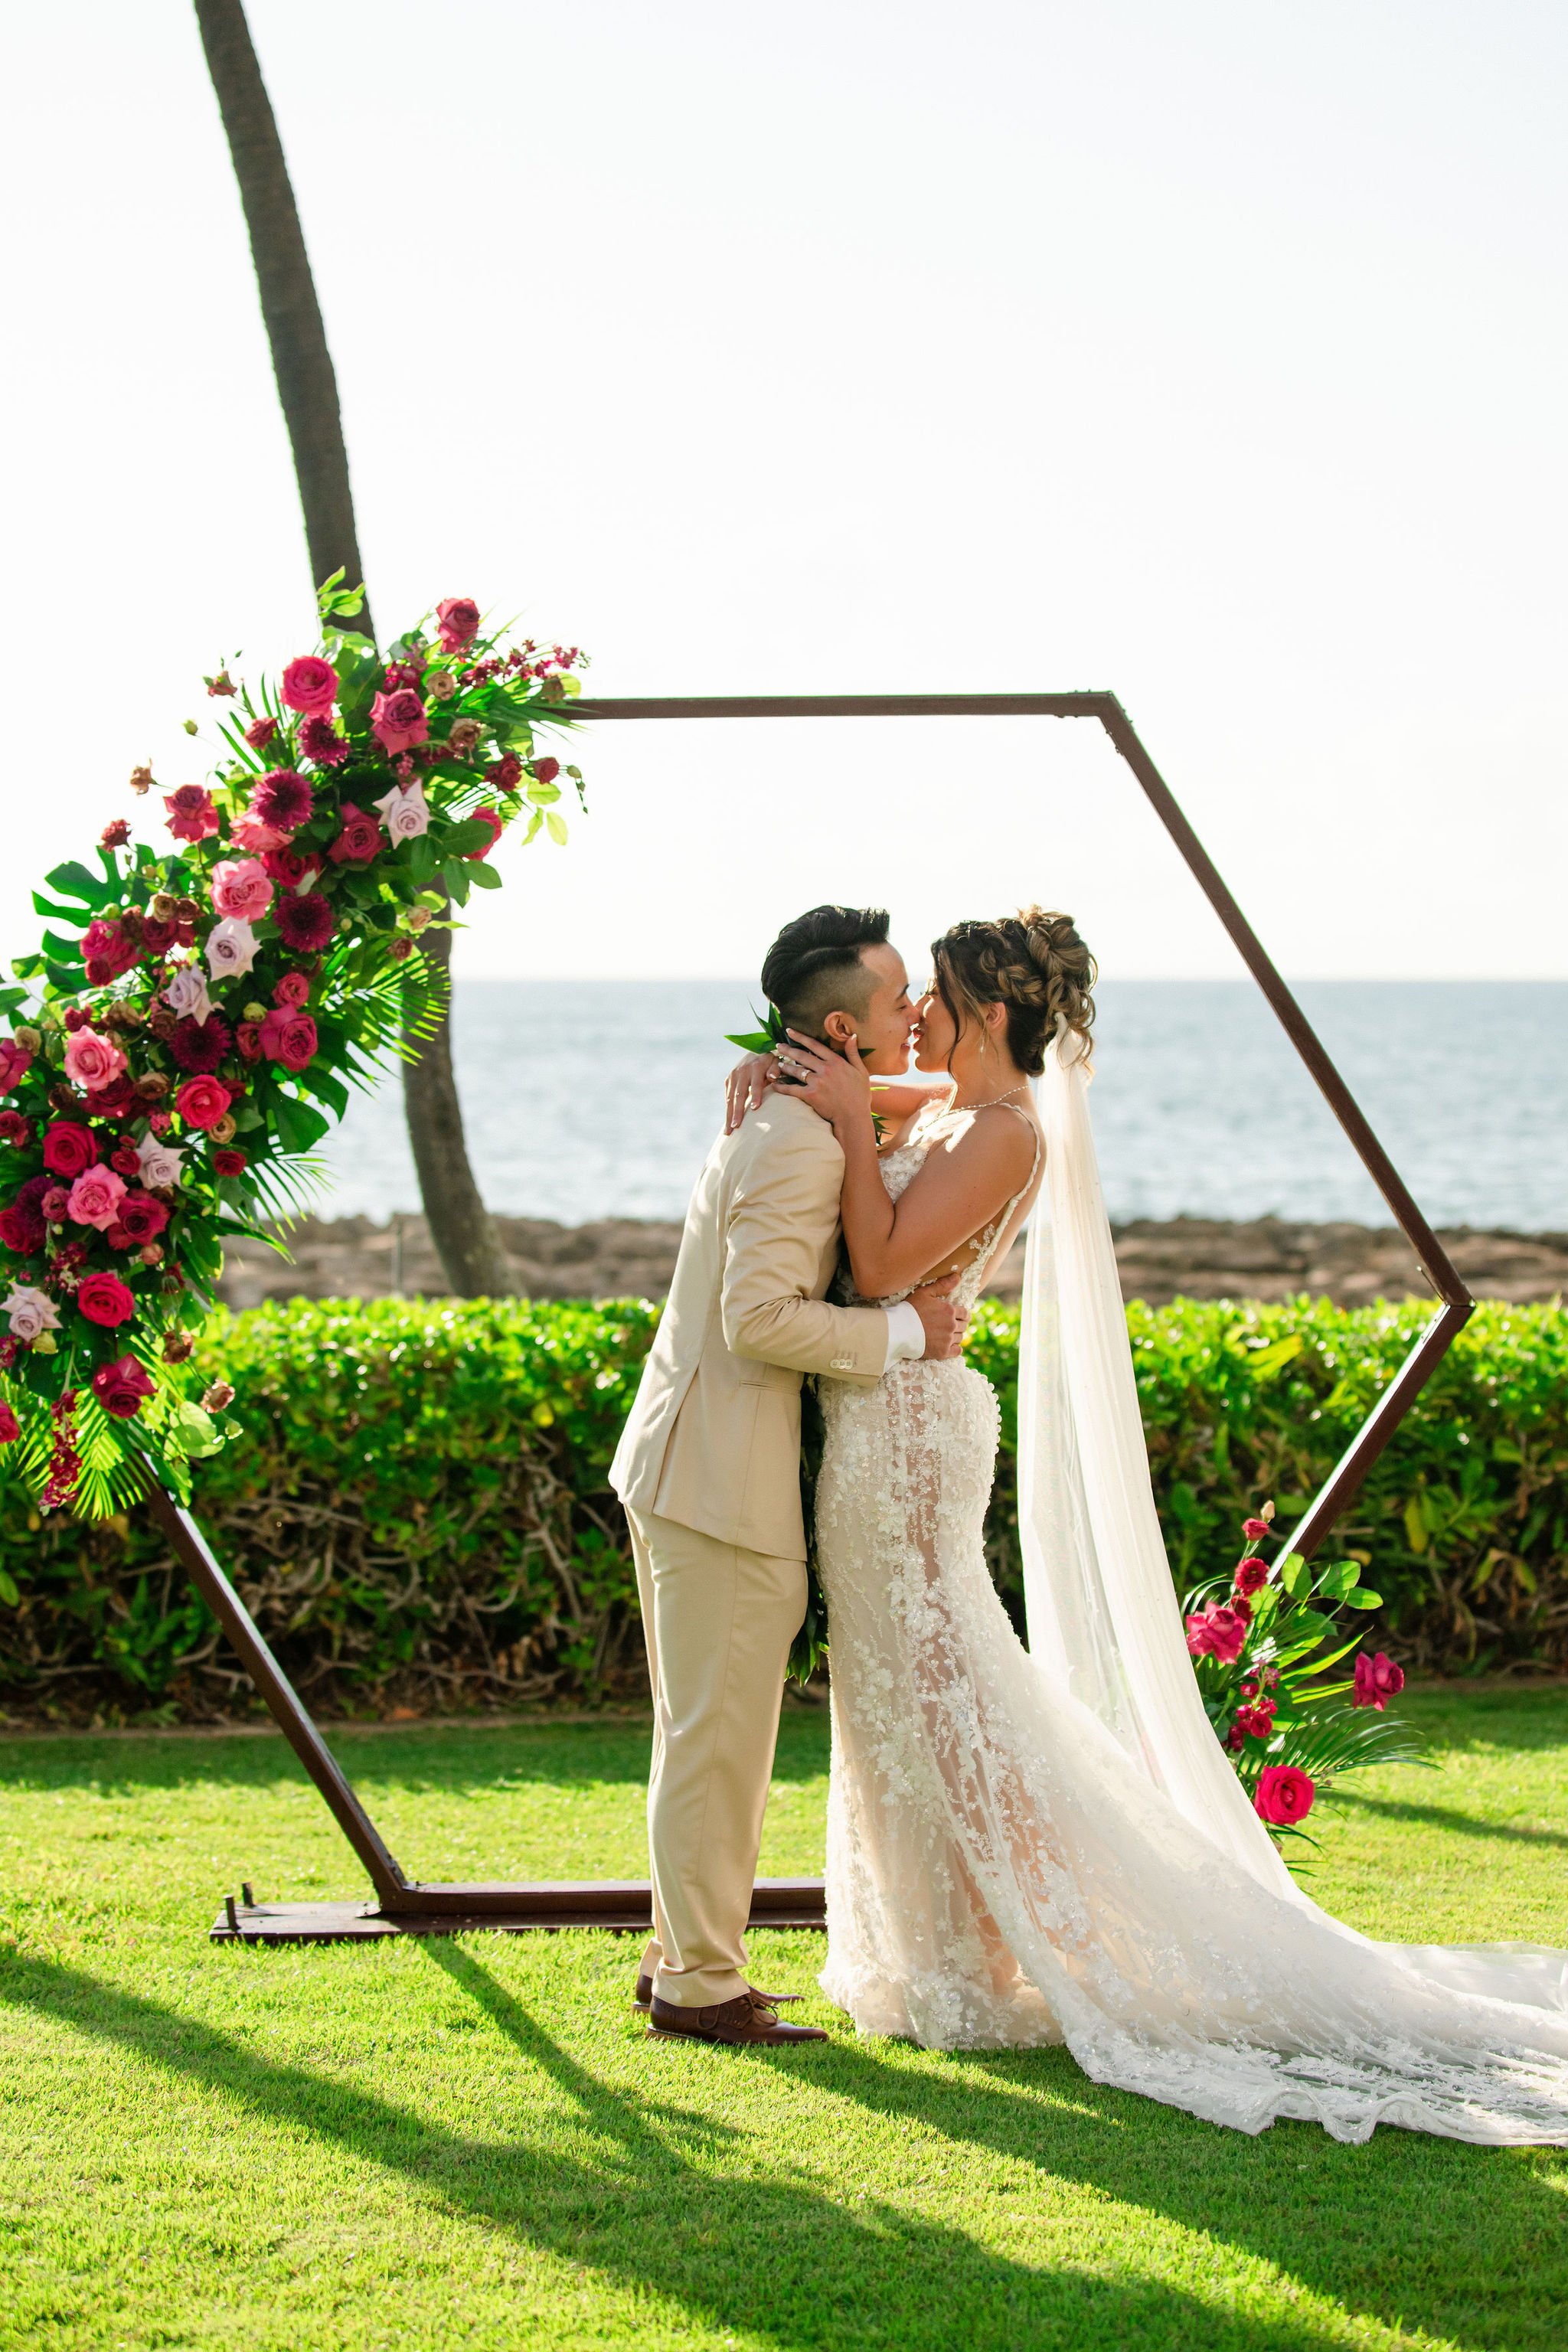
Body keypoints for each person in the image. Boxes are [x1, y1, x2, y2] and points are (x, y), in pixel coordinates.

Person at [750, 904, 1568, 2142]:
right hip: (882, 1424)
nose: (914, 1009)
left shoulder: (1008, 1132)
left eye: (942, 995)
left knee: (953, 1682)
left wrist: (858, 1134)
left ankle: (1029, 1944)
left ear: (998, 1015)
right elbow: (871, 1098)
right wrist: (791, 1078)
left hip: (912, 1438)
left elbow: (874, 1267)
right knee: (899, 1691)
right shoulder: (956, 1105)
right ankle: (942, 1954)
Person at [609, 905, 970, 2047]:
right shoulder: (806, 1138)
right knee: (720, 1743)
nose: (917, 1010)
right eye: (898, 998)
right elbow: (759, 1318)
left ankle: (681, 1959)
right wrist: (908, 1333)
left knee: (699, 1735)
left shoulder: (807, 1106)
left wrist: (825, 1076)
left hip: (691, 1460)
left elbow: (940, 1098)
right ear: (839, 1030)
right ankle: (703, 1989)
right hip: (720, 1477)